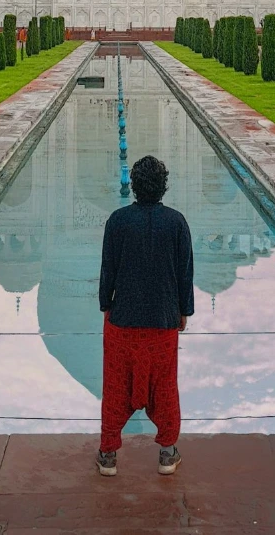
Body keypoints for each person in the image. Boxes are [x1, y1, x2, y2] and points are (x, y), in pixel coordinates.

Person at [97, 155, 194, 479]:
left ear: (133, 186)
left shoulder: (118, 220)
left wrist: (105, 306)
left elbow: (107, 270)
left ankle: (108, 455)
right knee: (164, 387)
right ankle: (167, 454)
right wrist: (183, 311)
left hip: (122, 319)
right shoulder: (176, 222)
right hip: (163, 321)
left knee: (116, 387)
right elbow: (184, 273)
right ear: (163, 186)